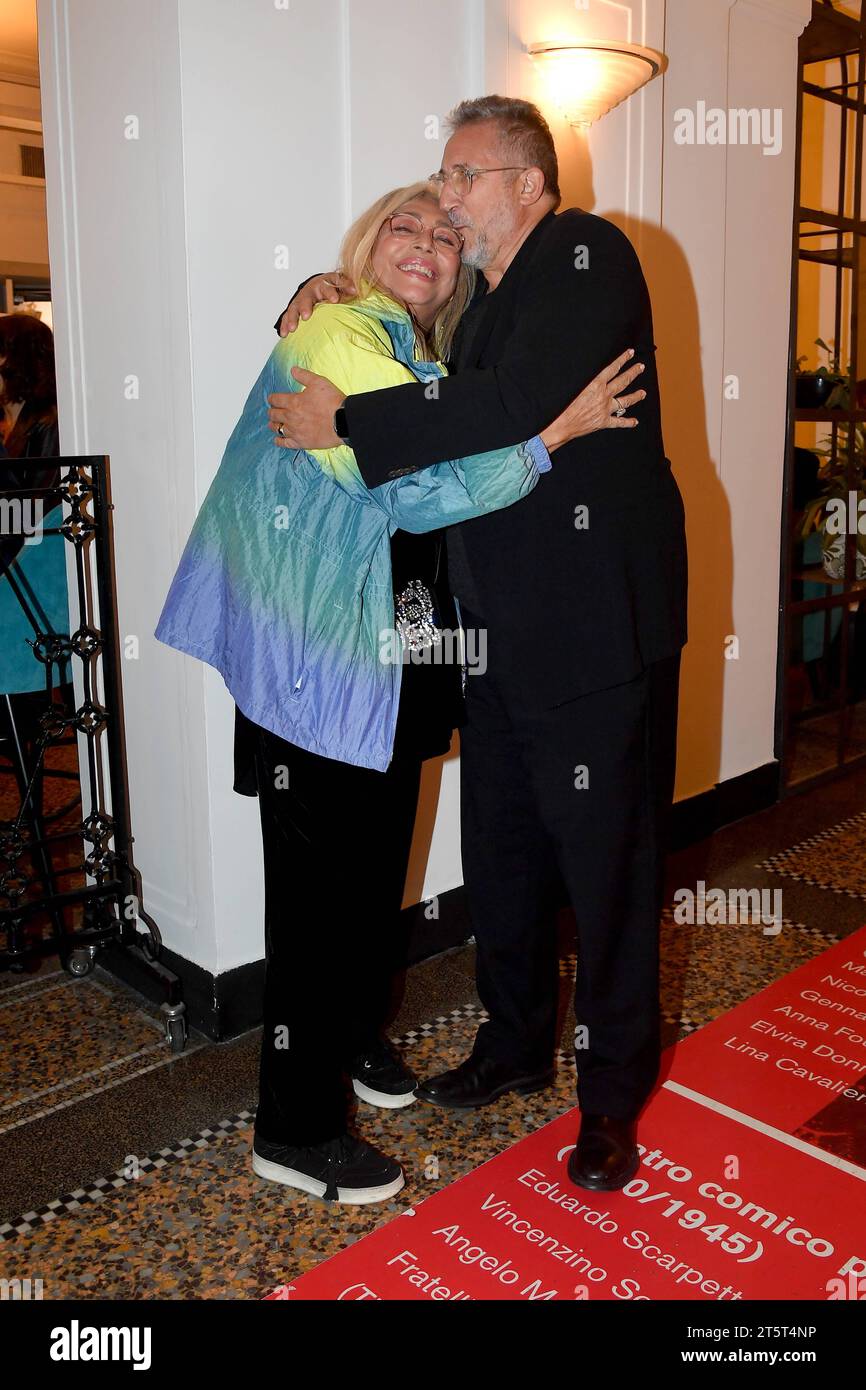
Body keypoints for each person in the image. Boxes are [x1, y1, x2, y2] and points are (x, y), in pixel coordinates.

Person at [156, 181, 644, 1205]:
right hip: (313, 667)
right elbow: (408, 483)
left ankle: (348, 1037)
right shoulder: (335, 331)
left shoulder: (419, 359)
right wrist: (550, 439)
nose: (426, 240)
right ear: (364, 247)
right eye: (403, 226)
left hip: (386, 663)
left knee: (365, 882)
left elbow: (427, 433)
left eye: (441, 231)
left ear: (461, 263)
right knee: (314, 908)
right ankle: (292, 1127)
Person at [268, 96, 688, 1193]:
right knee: (499, 861)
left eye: (460, 178)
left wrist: (347, 422)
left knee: (604, 876)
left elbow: (501, 403)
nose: (444, 200)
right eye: (441, 183)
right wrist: (317, 289)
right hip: (490, 636)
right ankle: (509, 1047)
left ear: (525, 183)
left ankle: (607, 1105)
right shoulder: (484, 298)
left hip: (592, 632)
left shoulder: (586, 251)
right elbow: (417, 358)